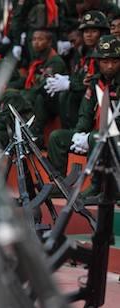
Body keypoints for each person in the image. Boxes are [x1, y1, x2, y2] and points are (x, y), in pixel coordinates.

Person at [48, 35, 120, 196]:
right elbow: (86, 113)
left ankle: (97, 187)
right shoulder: (95, 83)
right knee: (56, 137)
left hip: (115, 136)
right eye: (105, 61)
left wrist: (88, 138)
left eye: (115, 62)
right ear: (98, 62)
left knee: (96, 137)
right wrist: (79, 134)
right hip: (96, 134)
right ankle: (60, 184)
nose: (109, 66)